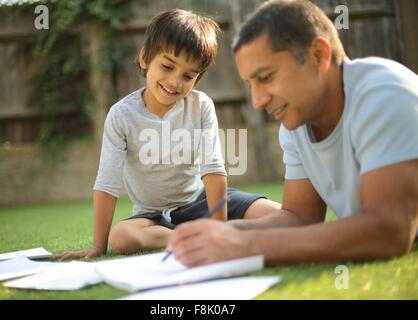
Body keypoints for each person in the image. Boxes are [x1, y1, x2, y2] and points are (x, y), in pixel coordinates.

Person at [167, 0, 418, 267]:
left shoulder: (385, 94)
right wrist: (225, 233)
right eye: (250, 84)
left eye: (265, 77)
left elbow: (390, 232)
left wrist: (245, 246)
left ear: (318, 55)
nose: (257, 101)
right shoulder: (297, 119)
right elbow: (300, 216)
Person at [57, 9, 280, 260]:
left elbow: (213, 169)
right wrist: (98, 247)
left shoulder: (200, 106)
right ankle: (189, 236)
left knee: (279, 214)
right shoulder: (121, 115)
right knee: (120, 238)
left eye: (188, 76)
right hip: (152, 217)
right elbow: (107, 183)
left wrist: (219, 230)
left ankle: (216, 231)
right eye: (167, 66)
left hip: (201, 202)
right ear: (144, 59)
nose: (175, 81)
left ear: (198, 78)